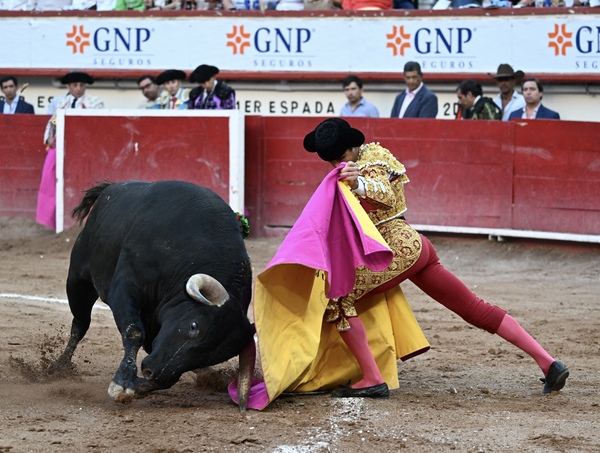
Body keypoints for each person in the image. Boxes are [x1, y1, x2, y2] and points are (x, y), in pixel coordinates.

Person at [299, 118, 568, 398]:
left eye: (340, 157)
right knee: (473, 307)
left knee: (339, 298)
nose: (337, 165)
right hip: (416, 247)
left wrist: (358, 183)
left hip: (397, 247)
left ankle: (372, 378)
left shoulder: (372, 158)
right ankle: (549, 363)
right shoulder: (354, 163)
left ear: (354, 146)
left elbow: (385, 194)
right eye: (332, 161)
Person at [37, 71, 104, 230]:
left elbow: (98, 125)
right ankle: (48, 222)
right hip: (61, 147)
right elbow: (52, 123)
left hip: (85, 148)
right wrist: (50, 138)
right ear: (68, 86)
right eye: (75, 85)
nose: (78, 88)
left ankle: (87, 221)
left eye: (81, 85)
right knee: (49, 179)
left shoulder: (95, 102)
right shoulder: (60, 103)